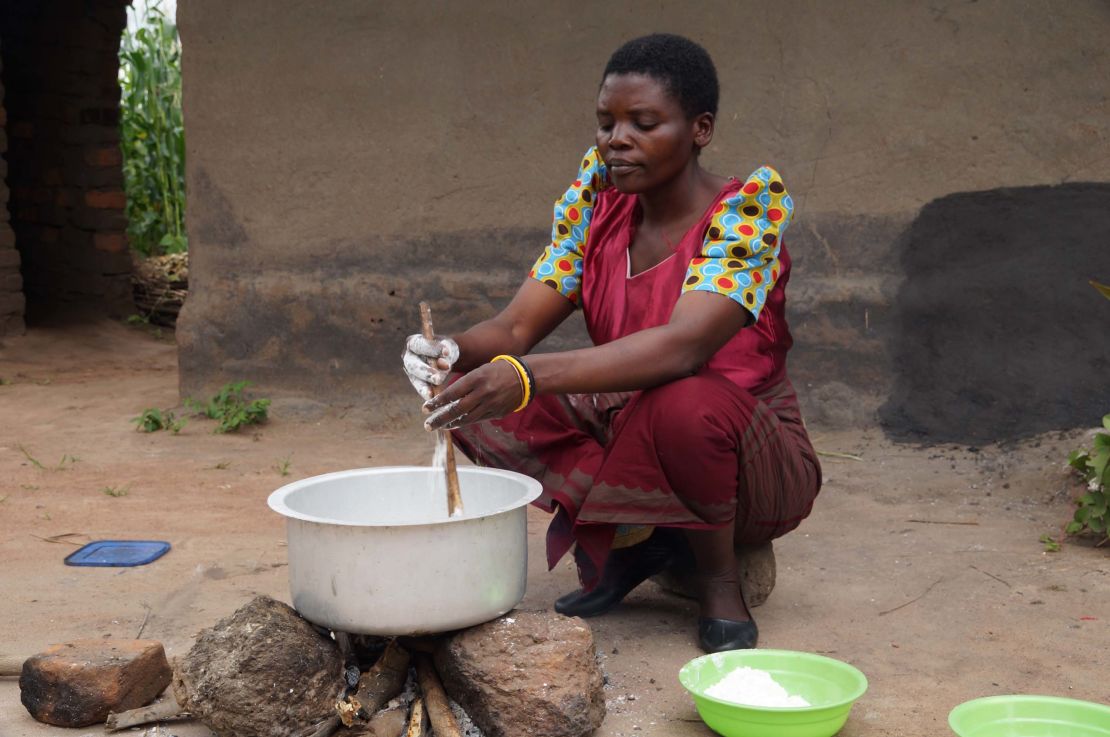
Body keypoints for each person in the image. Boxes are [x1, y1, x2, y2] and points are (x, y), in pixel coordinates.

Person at [402, 33, 821, 653]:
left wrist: (526, 376)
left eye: (643, 123)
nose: (616, 139)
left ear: (700, 129)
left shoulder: (744, 216)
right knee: (469, 388)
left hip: (750, 459)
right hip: (633, 424)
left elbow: (682, 348)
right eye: (607, 122)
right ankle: (634, 544)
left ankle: (718, 579)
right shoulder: (598, 207)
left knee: (682, 400)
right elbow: (516, 330)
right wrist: (449, 351)